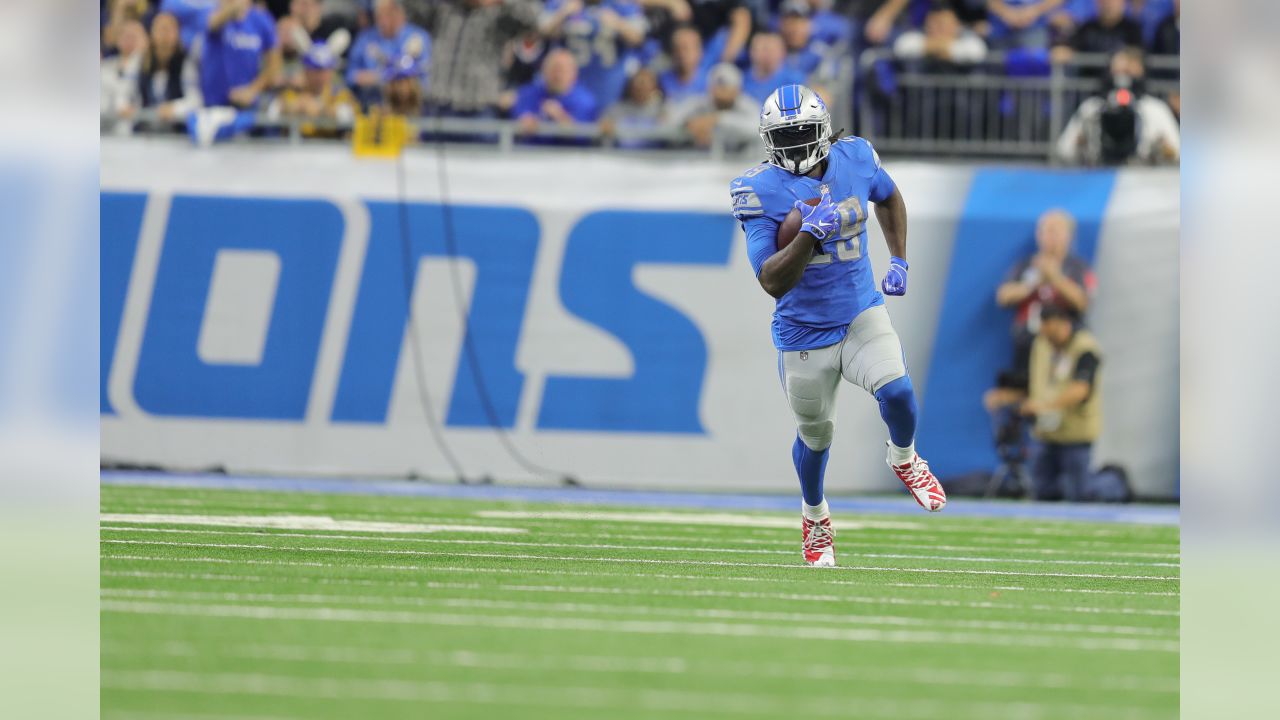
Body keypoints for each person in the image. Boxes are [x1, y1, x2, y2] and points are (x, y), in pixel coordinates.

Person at [728, 83, 947, 567]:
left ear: (824, 129)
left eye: (804, 132)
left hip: (858, 312)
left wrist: (901, 260)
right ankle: (815, 517)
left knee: (899, 393)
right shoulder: (757, 189)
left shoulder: (857, 157)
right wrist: (807, 235)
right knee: (816, 436)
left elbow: (888, 197)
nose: (795, 145)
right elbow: (771, 279)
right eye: (784, 136)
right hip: (803, 332)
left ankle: (905, 458)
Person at [989, 305, 1103, 501]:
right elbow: (1037, 383)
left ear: (1062, 322)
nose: (1046, 336)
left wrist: (1045, 407)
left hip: (1075, 434)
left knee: (1080, 495)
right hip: (1045, 434)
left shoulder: (1085, 348)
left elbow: (1081, 389)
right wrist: (1009, 396)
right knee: (1042, 493)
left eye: (1050, 330)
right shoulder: (1042, 344)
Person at [414, 0, 541, 117]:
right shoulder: (441, 10)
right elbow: (409, 7)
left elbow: (532, 17)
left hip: (479, 108)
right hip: (436, 104)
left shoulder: (498, 15)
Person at [1055, 47, 1179, 165]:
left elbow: (1177, 151)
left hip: (1142, 176)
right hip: (1100, 174)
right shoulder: (1091, 108)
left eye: (1128, 72)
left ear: (1141, 72)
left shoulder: (1155, 109)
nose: (1122, 78)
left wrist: (1164, 150)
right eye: (1117, 72)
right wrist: (1080, 143)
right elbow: (1064, 150)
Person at [539, 1, 648, 108]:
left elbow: (639, 38)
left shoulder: (620, 5)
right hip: (572, 83)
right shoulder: (562, 4)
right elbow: (543, 31)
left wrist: (618, 23)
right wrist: (563, 13)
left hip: (609, 81)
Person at [199, 0, 282, 109]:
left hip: (248, 107)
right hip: (214, 107)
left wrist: (252, 90)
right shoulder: (211, 12)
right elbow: (212, 24)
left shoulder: (261, 19)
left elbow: (275, 63)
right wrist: (233, 8)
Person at [347, 0, 430, 106]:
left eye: (388, 15)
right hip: (369, 104)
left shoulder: (417, 37)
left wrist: (380, 77)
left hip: (409, 104)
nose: (383, 21)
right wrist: (388, 76)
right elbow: (350, 76)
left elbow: (422, 77)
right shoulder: (365, 38)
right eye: (379, 16)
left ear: (399, 14)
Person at [511, 48, 600, 138]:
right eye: (553, 69)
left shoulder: (585, 100)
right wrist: (525, 121)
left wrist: (559, 116)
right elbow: (517, 119)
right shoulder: (528, 93)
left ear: (574, 73)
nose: (557, 75)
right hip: (531, 150)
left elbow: (583, 136)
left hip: (569, 151)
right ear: (544, 70)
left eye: (562, 70)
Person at [669, 62, 758, 149]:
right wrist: (689, 125)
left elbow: (759, 127)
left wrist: (718, 119)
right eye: (717, 86)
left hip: (742, 160)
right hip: (704, 160)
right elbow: (671, 119)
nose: (720, 92)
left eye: (725, 87)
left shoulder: (746, 104)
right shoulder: (701, 103)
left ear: (737, 89)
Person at [140, 12, 203, 126]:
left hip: (177, 133)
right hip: (146, 131)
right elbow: (129, 96)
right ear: (151, 33)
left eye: (169, 28)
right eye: (161, 28)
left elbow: (196, 100)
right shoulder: (141, 63)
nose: (164, 33)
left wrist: (174, 108)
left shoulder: (186, 63)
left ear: (178, 33)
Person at [1050, 0, 1142, 65]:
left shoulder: (1132, 29)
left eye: (1113, 1)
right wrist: (1064, 49)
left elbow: (1139, 51)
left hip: (1121, 86)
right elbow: (1069, 46)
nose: (1108, 4)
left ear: (1123, 3)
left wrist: (1125, 57)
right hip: (1090, 86)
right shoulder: (1088, 27)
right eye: (1104, 1)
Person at [601, 67, 667, 148]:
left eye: (645, 85)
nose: (641, 89)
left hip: (654, 158)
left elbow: (671, 138)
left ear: (653, 87)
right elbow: (602, 135)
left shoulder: (662, 111)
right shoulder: (615, 110)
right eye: (638, 85)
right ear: (630, 87)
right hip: (621, 157)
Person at [741, 32, 806, 103]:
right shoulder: (741, 80)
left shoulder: (795, 81)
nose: (768, 54)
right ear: (751, 52)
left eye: (772, 50)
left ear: (783, 52)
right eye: (763, 49)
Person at [658, 24, 708, 104]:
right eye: (678, 48)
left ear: (700, 52)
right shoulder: (662, 81)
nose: (682, 54)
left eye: (686, 49)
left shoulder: (710, 81)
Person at [778, 0, 823, 76]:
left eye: (799, 23)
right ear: (781, 25)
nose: (794, 29)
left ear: (808, 25)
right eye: (789, 23)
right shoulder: (773, 53)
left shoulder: (819, 54)